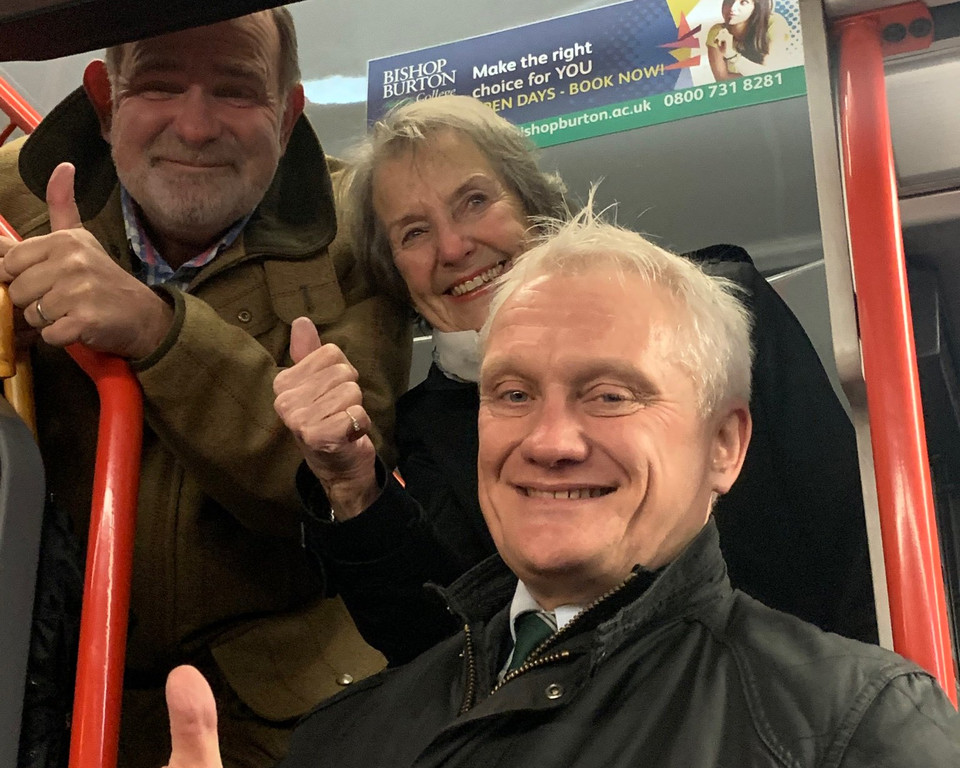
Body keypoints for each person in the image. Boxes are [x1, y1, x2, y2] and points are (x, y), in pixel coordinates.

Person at [166, 209, 960, 768]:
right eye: (512, 394)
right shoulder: (341, 737)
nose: (547, 442)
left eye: (610, 394)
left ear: (725, 446)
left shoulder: (853, 727)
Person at [277, 95, 877, 667]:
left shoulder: (724, 312)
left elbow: (857, 539)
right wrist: (350, 485)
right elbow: (438, 654)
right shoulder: (411, 445)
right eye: (413, 232)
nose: (455, 246)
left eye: (475, 201)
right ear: (393, 272)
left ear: (532, 204)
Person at [0, 9, 409, 768]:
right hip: (41, 697)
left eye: (235, 90)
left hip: (284, 719)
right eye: (157, 84)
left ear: (287, 118)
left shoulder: (361, 230)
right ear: (104, 99)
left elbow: (332, 492)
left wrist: (158, 332)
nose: (194, 127)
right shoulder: (8, 205)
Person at [707, 0, 792, 81]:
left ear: (756, 5)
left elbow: (772, 74)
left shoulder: (774, 23)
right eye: (729, 0)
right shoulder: (717, 31)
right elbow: (722, 79)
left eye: (743, 2)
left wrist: (731, 55)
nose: (732, 8)